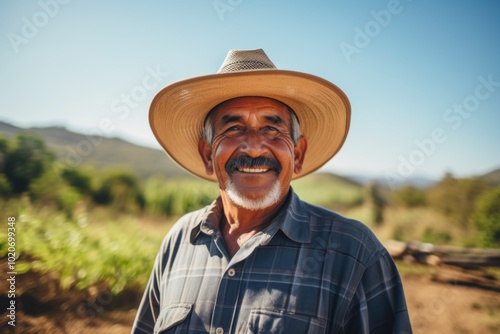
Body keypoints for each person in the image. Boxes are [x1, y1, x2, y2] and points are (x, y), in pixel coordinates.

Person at [131, 49, 412, 333]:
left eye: (272, 129)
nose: (253, 147)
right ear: (207, 155)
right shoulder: (179, 241)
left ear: (298, 155)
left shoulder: (354, 254)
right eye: (233, 128)